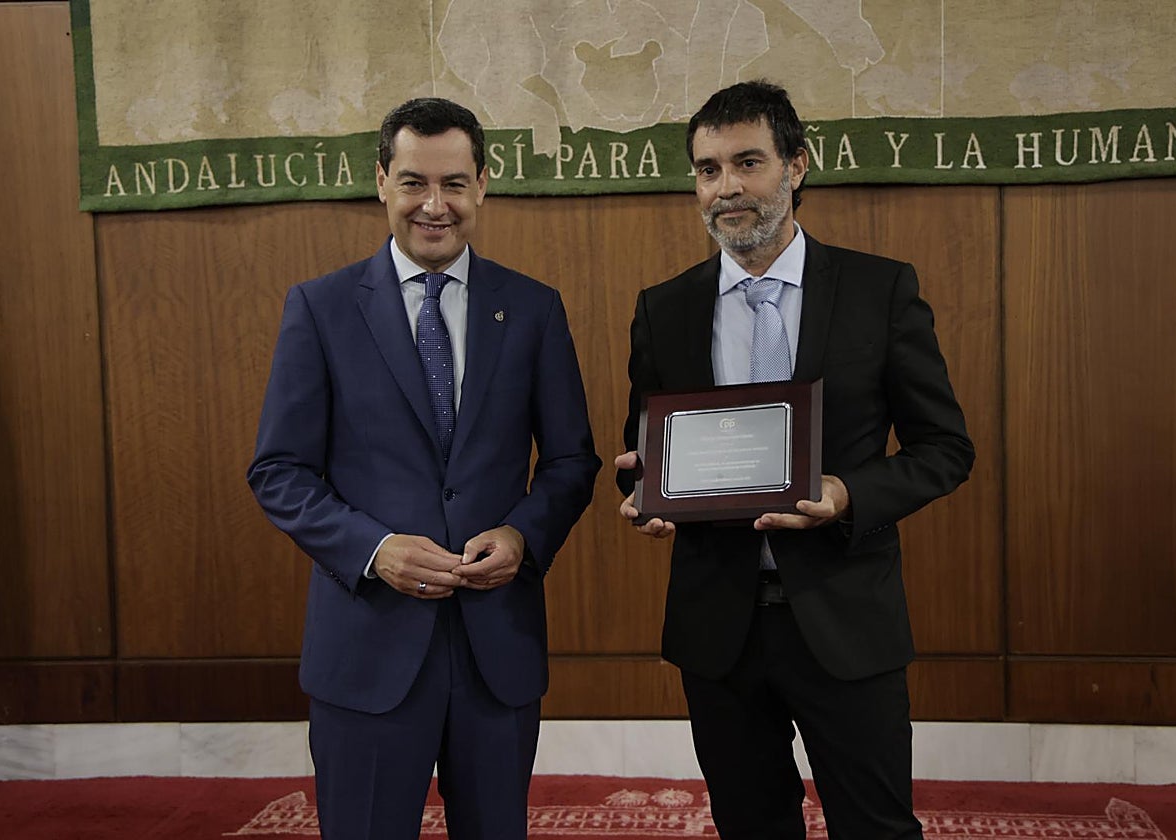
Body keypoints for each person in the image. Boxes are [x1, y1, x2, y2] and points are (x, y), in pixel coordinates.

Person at [615, 81, 974, 839]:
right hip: (719, 628)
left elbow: (945, 449)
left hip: (847, 617)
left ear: (797, 167)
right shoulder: (665, 307)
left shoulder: (879, 290)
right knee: (750, 826)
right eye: (709, 169)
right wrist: (643, 488)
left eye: (748, 162)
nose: (728, 187)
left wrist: (848, 492)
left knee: (876, 827)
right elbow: (644, 450)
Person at [248, 97, 601, 840]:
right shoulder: (320, 308)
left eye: (453, 184)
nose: (433, 205)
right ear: (381, 181)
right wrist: (375, 550)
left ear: (483, 186)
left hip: (494, 651)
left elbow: (572, 460)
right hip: (367, 649)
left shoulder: (534, 309)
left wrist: (522, 537)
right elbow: (279, 469)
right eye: (413, 182)